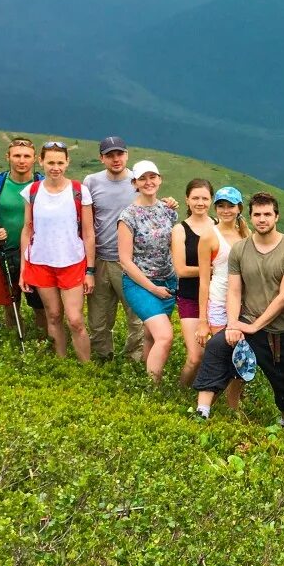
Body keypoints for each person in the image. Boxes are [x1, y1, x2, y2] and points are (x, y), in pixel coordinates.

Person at [193, 192, 284, 427]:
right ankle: (202, 409)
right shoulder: (240, 249)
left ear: (277, 216)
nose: (262, 219)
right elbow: (234, 290)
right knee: (216, 347)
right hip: (247, 320)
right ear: (250, 217)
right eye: (257, 214)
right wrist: (233, 323)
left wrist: (254, 325)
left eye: (267, 214)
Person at [18, 140, 96, 363]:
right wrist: (24, 269)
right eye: (50, 162)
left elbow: (89, 234)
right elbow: (27, 229)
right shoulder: (32, 191)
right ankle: (60, 364)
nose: (55, 167)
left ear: (68, 162)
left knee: (75, 320)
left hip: (72, 261)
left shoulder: (79, 191)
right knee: (53, 315)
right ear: (41, 161)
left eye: (60, 162)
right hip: (41, 261)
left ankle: (85, 367)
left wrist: (90, 270)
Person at [83, 136, 145, 363]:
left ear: (127, 155)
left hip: (131, 261)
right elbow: (85, 221)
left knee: (135, 315)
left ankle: (134, 360)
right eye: (110, 155)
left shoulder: (138, 182)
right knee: (98, 317)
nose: (116, 159)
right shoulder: (91, 182)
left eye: (119, 154)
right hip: (100, 259)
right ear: (102, 158)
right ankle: (102, 359)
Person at [118, 160, 178, 383]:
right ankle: (155, 387)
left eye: (152, 177)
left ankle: (144, 378)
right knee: (165, 336)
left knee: (152, 335)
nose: (148, 182)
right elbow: (124, 260)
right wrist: (152, 288)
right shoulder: (128, 216)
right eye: (142, 178)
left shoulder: (168, 211)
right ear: (135, 183)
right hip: (140, 284)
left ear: (160, 179)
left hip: (169, 281)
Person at [0, 137, 47, 339]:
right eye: (17, 155)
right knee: (10, 304)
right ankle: (15, 343)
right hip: (4, 252)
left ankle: (43, 343)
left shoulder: (43, 184)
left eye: (27, 156)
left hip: (36, 255)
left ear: (35, 159)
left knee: (41, 306)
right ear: (8, 157)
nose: (22, 160)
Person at [201, 186, 247, 411]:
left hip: (244, 303)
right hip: (218, 301)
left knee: (241, 353)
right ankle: (213, 402)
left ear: (239, 208)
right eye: (221, 205)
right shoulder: (209, 235)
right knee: (223, 353)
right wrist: (202, 321)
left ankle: (232, 403)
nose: (226, 210)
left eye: (230, 206)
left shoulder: (246, 235)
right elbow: (203, 279)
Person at [173, 179, 217, 388]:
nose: (200, 202)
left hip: (217, 298)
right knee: (196, 356)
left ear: (212, 200)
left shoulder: (219, 226)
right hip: (189, 297)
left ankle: (207, 394)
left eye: (205, 198)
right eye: (195, 198)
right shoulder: (180, 230)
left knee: (218, 355)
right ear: (187, 200)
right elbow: (181, 270)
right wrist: (211, 269)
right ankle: (181, 391)